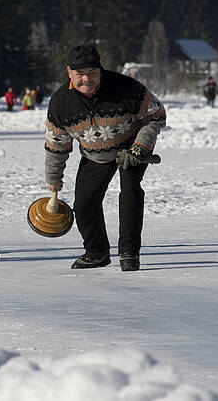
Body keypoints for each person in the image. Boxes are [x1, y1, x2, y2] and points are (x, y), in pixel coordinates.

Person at [45, 44, 166, 271]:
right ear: (69, 72)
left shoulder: (127, 87)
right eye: (80, 74)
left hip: (131, 149)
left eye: (92, 73)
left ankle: (129, 252)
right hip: (95, 154)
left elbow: (155, 115)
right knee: (83, 204)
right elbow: (56, 144)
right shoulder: (61, 102)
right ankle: (96, 252)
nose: (86, 79)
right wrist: (53, 177)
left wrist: (141, 146)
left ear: (101, 71)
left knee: (130, 191)